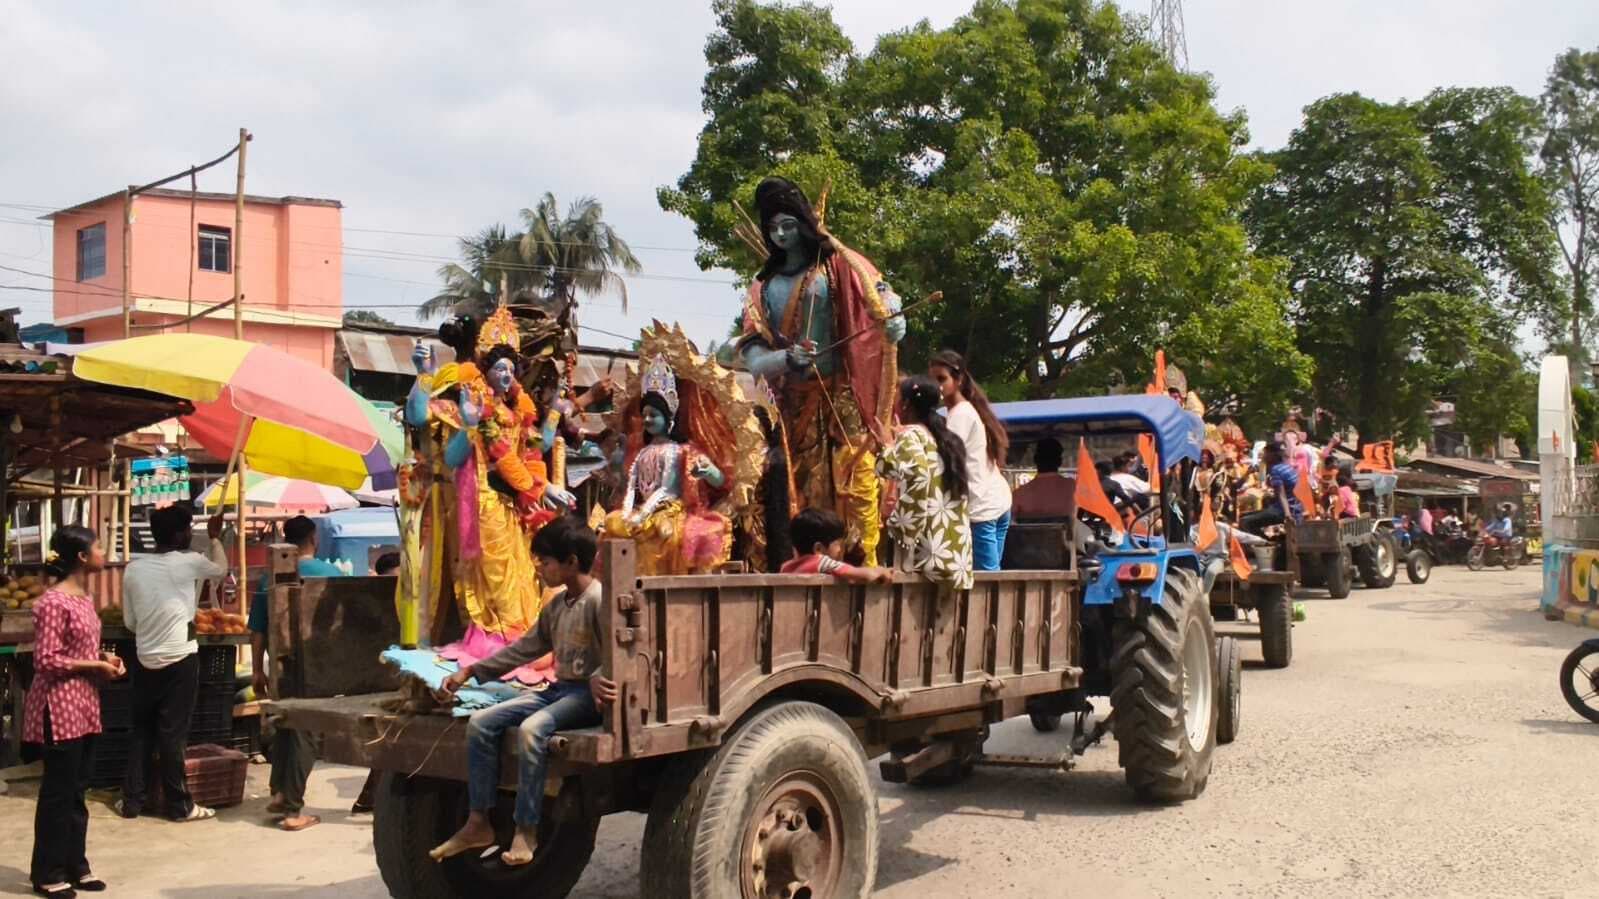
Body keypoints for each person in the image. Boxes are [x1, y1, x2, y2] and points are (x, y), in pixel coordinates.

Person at [735, 176, 905, 564]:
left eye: (789, 224)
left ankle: (862, 563)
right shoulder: (763, 287)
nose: (780, 234)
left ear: (806, 223)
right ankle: (804, 563)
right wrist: (786, 359)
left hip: (844, 400)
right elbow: (753, 358)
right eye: (772, 227)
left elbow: (883, 296)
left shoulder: (839, 266)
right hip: (794, 408)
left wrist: (894, 321)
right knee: (800, 495)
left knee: (856, 487)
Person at [432, 518, 608, 868]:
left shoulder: (600, 600)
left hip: (585, 698)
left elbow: (624, 652)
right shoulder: (557, 606)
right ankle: (478, 820)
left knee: (532, 730)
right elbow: (525, 649)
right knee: (481, 723)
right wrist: (471, 671)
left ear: (571, 561)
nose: (539, 568)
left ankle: (526, 829)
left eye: (545, 561)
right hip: (558, 691)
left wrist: (601, 675)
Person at [27, 526, 122, 897]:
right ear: (82, 557)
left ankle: (75, 865)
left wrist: (104, 658)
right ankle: (47, 873)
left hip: (84, 705)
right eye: (98, 546)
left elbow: (76, 649)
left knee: (79, 790)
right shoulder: (53, 602)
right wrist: (94, 666)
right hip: (59, 706)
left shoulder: (84, 597)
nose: (104, 552)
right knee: (58, 792)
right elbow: (46, 660)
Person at [117, 505, 227, 822]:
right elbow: (220, 570)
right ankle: (180, 805)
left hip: (144, 658)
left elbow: (130, 621)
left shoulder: (134, 569)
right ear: (181, 534)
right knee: (172, 736)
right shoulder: (188, 562)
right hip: (180, 658)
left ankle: (131, 802)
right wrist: (215, 538)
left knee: (141, 732)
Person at [249, 514, 340, 832]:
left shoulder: (268, 577)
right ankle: (292, 809)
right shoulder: (331, 573)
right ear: (313, 539)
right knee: (306, 733)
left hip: (279, 665)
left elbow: (257, 629)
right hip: (316, 669)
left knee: (286, 727)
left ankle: (278, 794)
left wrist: (257, 669)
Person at [869, 376, 974, 591]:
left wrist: (902, 528)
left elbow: (917, 475)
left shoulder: (912, 435)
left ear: (905, 404)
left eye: (897, 398)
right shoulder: (943, 438)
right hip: (952, 551)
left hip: (926, 551)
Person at [929, 351, 1013, 571]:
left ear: (958, 380)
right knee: (992, 581)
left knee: (986, 585)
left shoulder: (960, 416)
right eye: (933, 380)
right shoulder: (964, 411)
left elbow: (942, 462)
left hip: (982, 509)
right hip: (995, 501)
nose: (937, 386)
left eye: (942, 379)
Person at [781, 508, 893, 583]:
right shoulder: (821, 562)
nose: (841, 550)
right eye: (838, 544)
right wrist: (879, 571)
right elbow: (859, 574)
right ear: (818, 549)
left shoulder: (786, 567)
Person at [1240, 443, 1304, 536]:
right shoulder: (1287, 467)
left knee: (1244, 521)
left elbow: (1282, 495)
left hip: (1284, 510)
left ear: (1273, 455)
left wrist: (1287, 515)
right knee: (1245, 516)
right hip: (1295, 509)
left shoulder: (1276, 470)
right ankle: (1266, 540)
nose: (1263, 457)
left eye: (1266, 453)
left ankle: (1261, 544)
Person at [1011, 438, 1076, 521]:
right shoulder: (1073, 487)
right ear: (1060, 461)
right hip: (1068, 533)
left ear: (1035, 460)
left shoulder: (1019, 493)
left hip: (1030, 534)